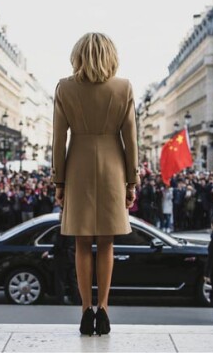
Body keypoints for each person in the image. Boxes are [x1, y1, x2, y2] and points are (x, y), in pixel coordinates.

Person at [52, 32, 139, 336]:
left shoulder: (65, 87)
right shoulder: (123, 87)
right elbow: (131, 139)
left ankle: (85, 310)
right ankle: (103, 308)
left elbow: (58, 139)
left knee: (80, 242)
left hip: (77, 164)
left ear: (78, 55)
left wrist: (58, 180)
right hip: (113, 166)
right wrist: (132, 180)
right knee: (106, 242)